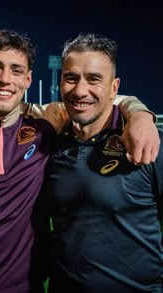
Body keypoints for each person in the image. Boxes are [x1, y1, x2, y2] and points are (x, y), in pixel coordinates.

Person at [0, 29, 160, 293]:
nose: (5, 79)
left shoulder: (43, 123)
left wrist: (139, 112)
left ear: (27, 80)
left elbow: (95, 98)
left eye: (16, 71)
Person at [41, 33, 163, 292]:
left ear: (114, 88)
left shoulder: (147, 142)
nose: (80, 90)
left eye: (94, 79)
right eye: (71, 78)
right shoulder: (48, 144)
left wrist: (140, 114)